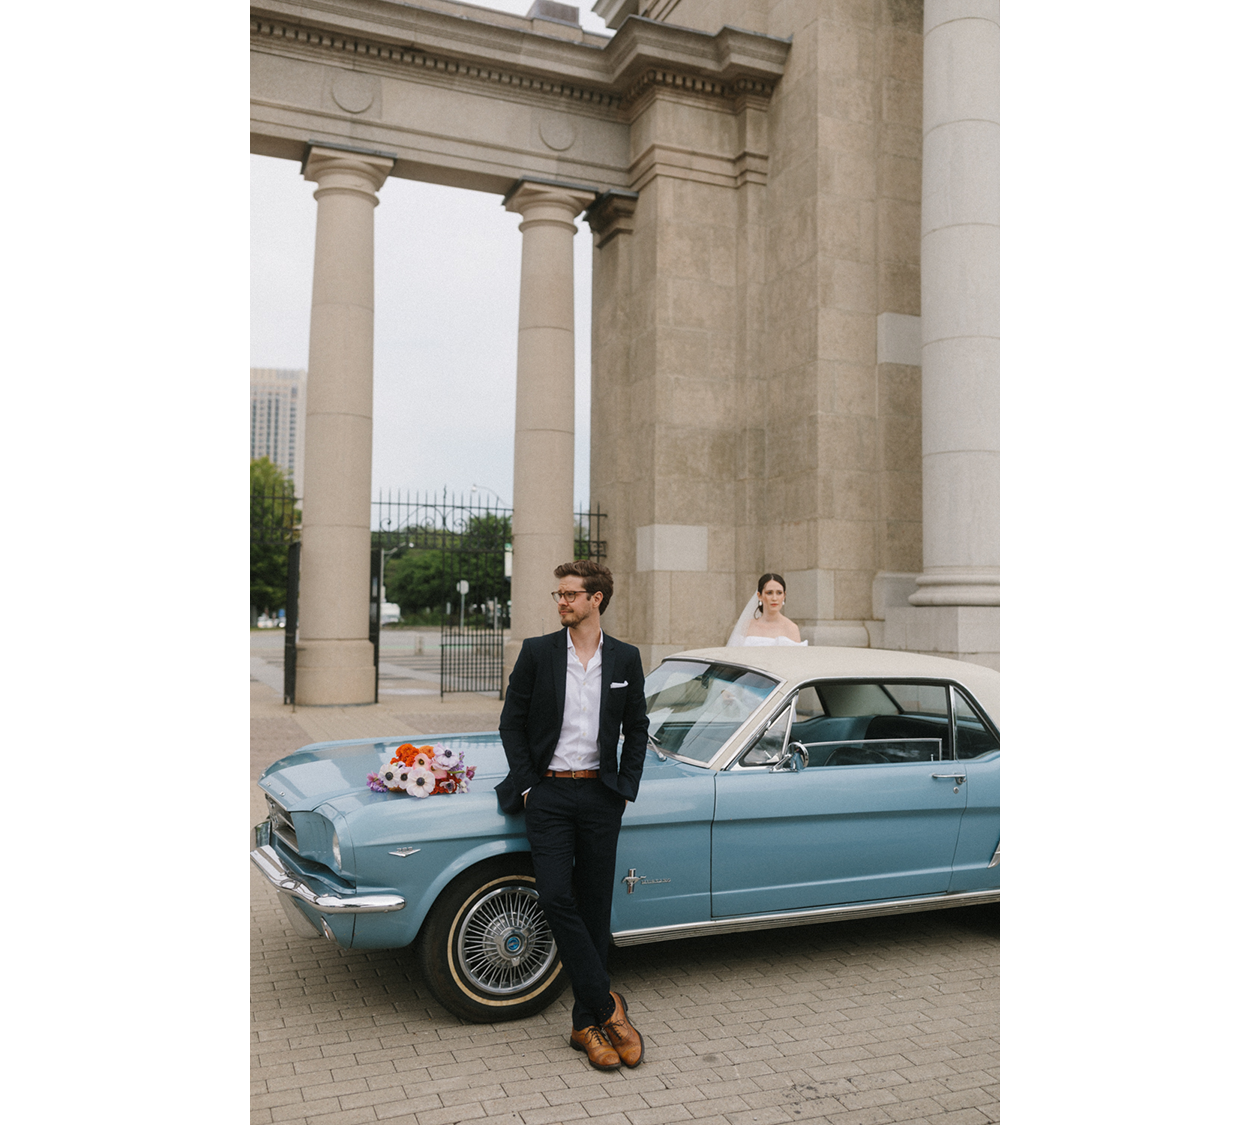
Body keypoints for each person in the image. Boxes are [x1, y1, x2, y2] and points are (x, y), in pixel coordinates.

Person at [496, 560, 649, 1071]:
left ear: (595, 600)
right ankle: (609, 1006)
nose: (561, 601)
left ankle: (585, 1026)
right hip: (550, 796)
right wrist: (527, 786)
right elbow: (511, 724)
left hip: (601, 797)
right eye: (558, 594)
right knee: (557, 895)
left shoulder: (625, 658)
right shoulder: (538, 653)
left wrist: (625, 787)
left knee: (595, 906)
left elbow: (638, 727)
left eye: (570, 595)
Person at [726, 572, 808, 647]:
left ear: (784, 596)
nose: (774, 598)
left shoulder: (791, 628)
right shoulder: (747, 626)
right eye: (769, 593)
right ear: (759, 596)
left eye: (779, 593)